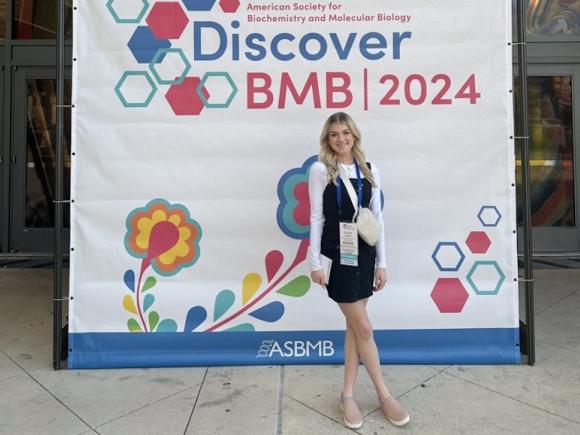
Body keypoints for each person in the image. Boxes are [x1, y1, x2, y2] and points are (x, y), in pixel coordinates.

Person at [308, 112, 410, 429]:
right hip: (337, 257)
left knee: (355, 329)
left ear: (354, 135)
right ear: (328, 139)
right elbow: (316, 218)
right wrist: (314, 263)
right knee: (364, 329)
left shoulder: (370, 169)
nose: (341, 139)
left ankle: (348, 395)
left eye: (346, 133)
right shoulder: (321, 170)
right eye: (335, 134)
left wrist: (382, 263)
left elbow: (377, 219)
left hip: (364, 254)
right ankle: (383, 394)